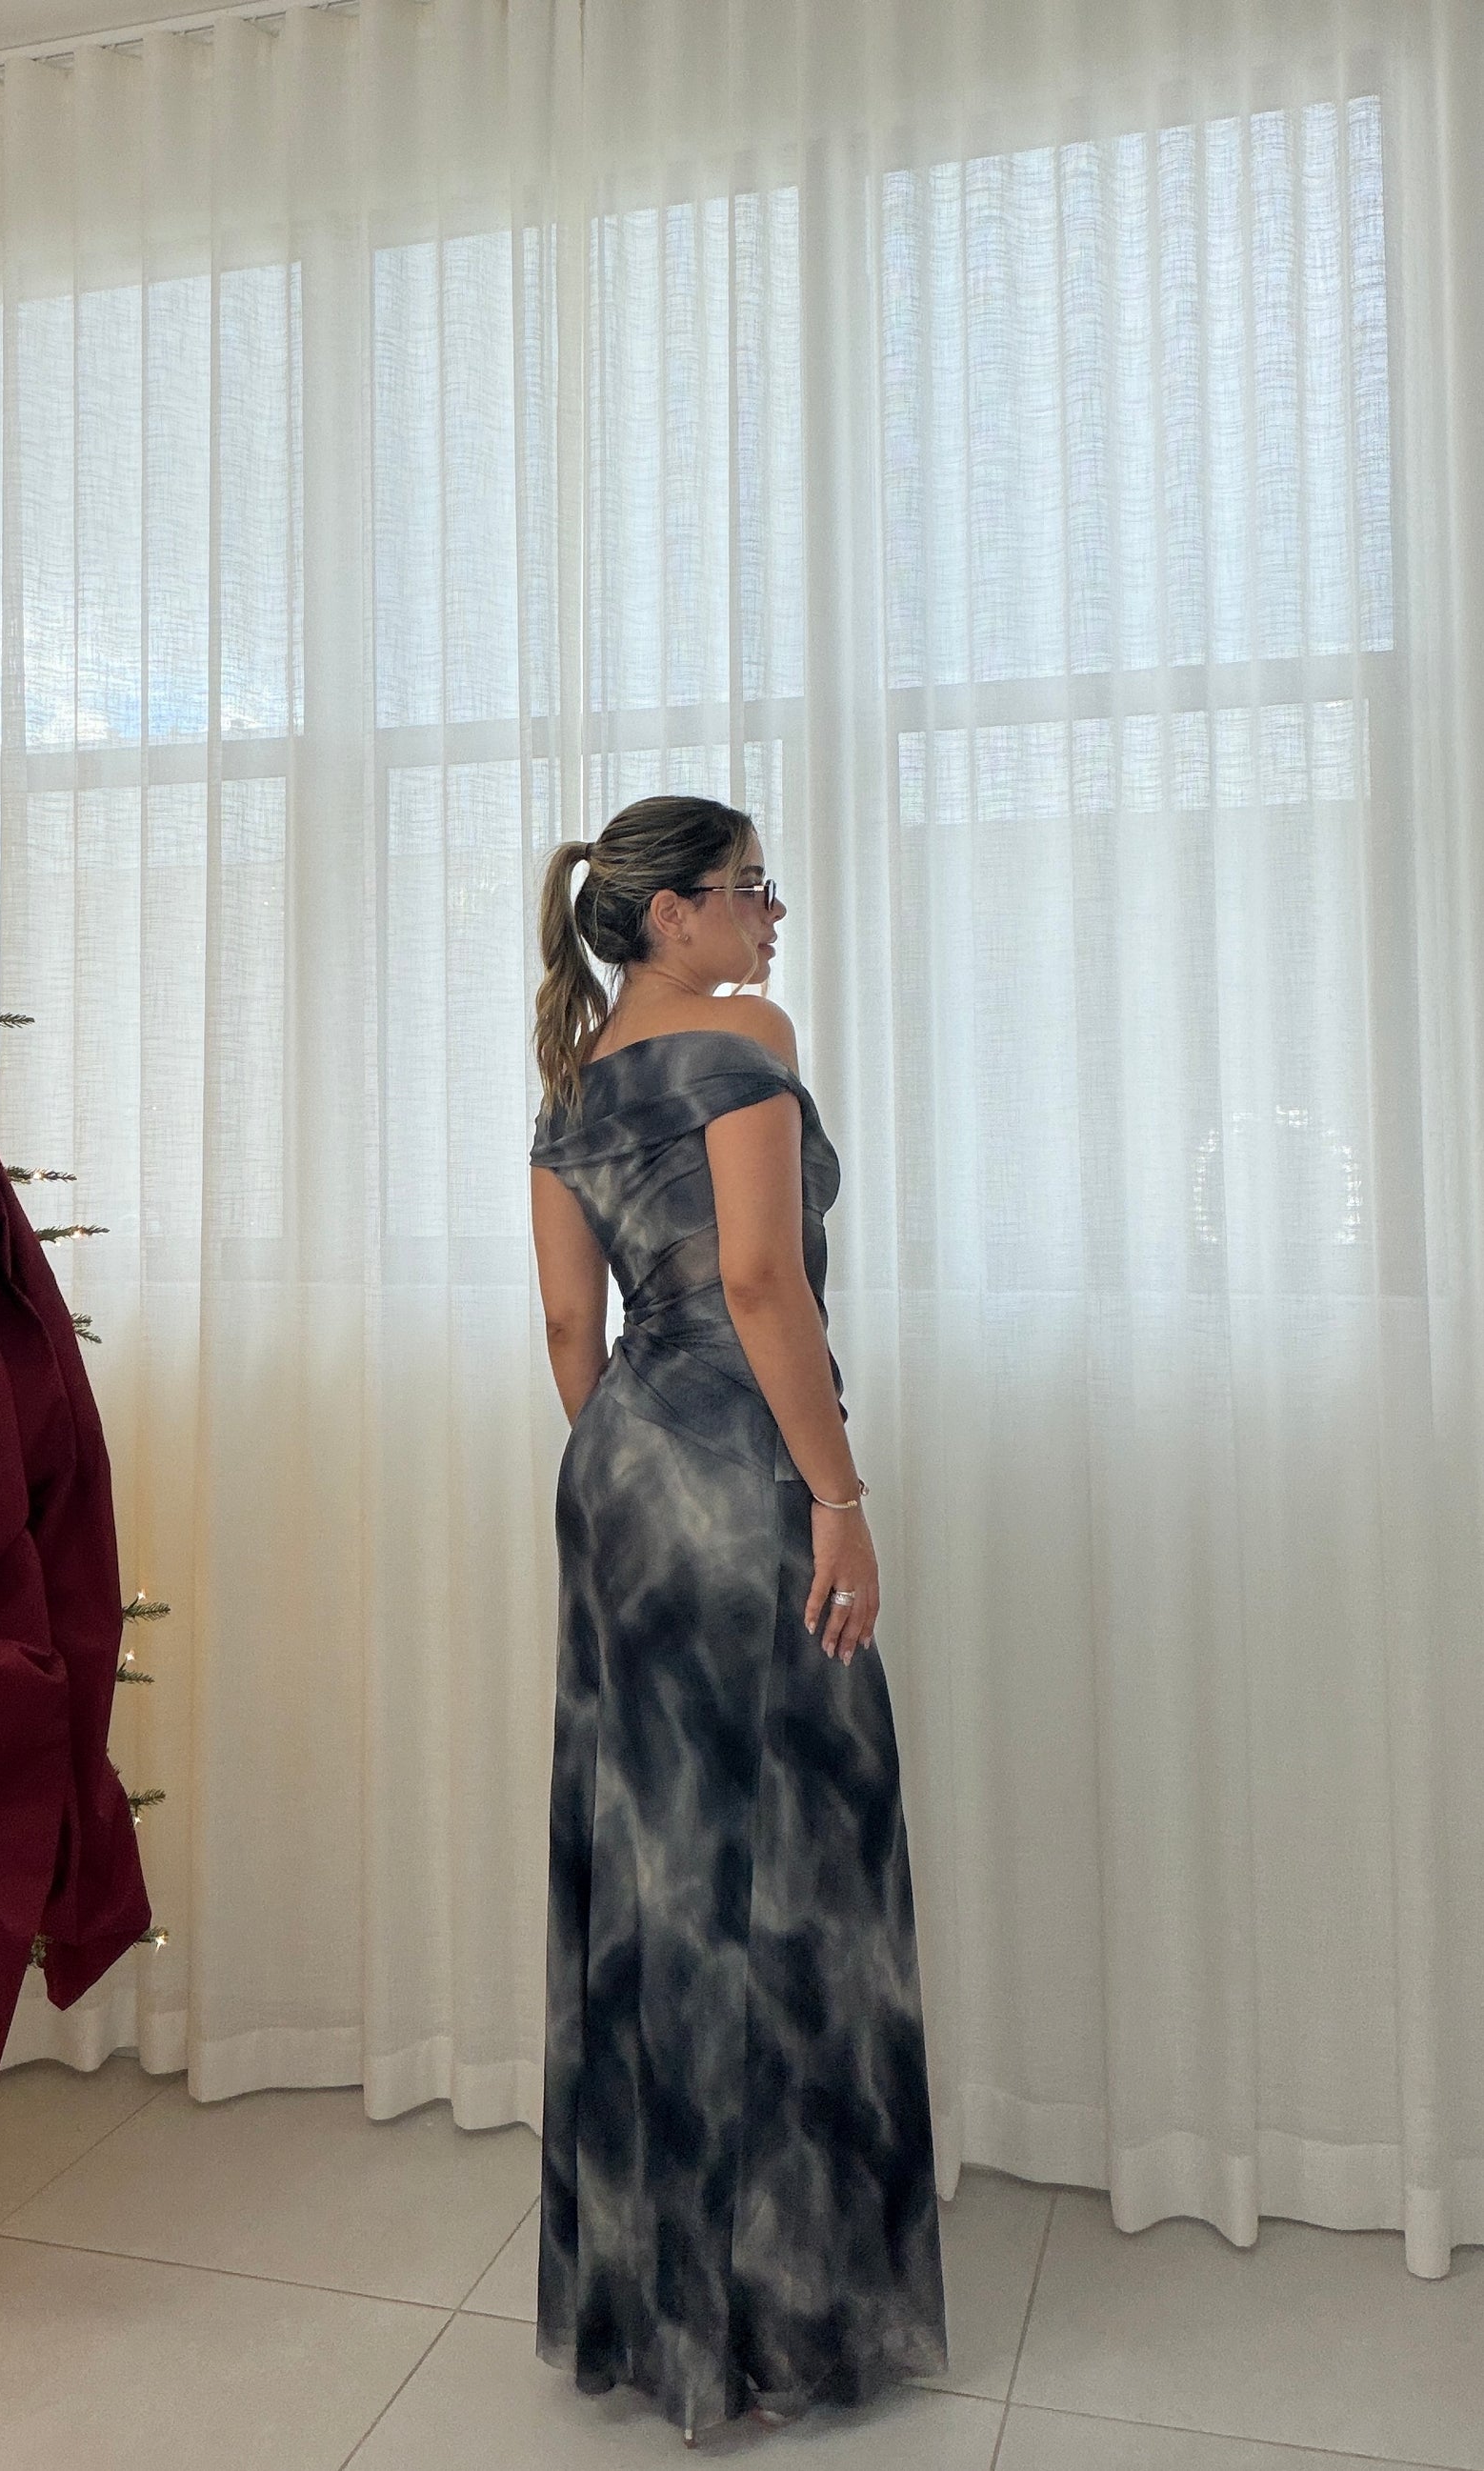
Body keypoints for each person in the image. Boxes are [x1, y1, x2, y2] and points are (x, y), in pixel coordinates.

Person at [527, 794, 950, 2444]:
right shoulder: (743, 1039)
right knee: (791, 1861)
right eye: (750, 888)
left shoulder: (568, 1085)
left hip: (624, 1471)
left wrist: (633, 1461)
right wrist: (834, 1496)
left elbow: (569, 1332)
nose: (772, 916)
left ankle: (658, 2309)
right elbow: (765, 1284)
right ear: (672, 914)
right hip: (746, 1464)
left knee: (655, 1869)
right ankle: (786, 2306)